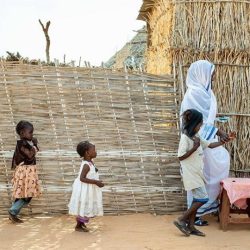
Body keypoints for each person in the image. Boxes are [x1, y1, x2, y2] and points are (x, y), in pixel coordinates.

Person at [180, 60, 231, 226]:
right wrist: (219, 132)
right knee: (198, 180)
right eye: (211, 74)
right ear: (202, 75)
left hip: (207, 141)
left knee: (219, 163)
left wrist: (220, 135)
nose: (214, 77)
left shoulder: (209, 94)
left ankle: (200, 211)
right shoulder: (192, 95)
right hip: (196, 143)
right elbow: (195, 125)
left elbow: (207, 121)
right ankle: (192, 217)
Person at [173, 109, 235, 237]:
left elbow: (210, 145)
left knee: (197, 198)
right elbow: (180, 157)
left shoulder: (196, 137)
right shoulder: (185, 138)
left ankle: (191, 226)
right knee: (203, 198)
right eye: (199, 124)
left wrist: (225, 140)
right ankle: (181, 219)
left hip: (197, 172)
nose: (201, 126)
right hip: (191, 173)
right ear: (193, 123)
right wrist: (195, 148)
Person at [8, 120, 41, 223]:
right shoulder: (21, 143)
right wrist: (35, 145)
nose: (32, 134)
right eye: (30, 132)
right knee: (27, 195)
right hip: (25, 172)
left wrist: (34, 145)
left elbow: (33, 152)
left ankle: (13, 212)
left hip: (28, 171)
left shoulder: (25, 143)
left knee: (24, 193)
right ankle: (13, 211)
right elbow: (30, 155)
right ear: (22, 133)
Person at [68, 141, 104, 232]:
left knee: (86, 205)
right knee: (84, 205)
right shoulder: (86, 165)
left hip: (88, 189)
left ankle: (81, 224)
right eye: (94, 150)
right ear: (87, 153)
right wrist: (96, 182)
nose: (96, 152)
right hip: (84, 189)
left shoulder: (90, 162)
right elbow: (82, 178)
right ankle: (78, 226)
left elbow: (92, 171)